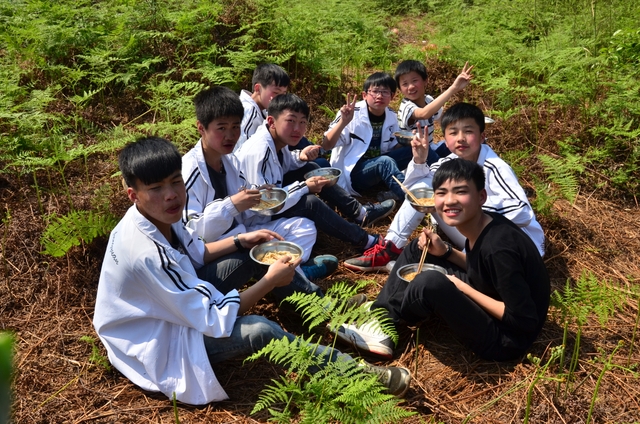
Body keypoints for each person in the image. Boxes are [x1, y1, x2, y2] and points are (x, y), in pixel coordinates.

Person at [93, 137, 411, 405]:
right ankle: (352, 372)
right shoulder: (147, 253)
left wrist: (241, 240)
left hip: (174, 306)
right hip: (157, 340)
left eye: (176, 181)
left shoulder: (159, 216)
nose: (171, 194)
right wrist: (269, 281)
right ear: (133, 195)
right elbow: (213, 317)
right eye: (156, 188)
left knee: (254, 255)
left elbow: (197, 252)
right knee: (259, 330)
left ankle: (322, 310)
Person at [335, 159, 550, 361]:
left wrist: (462, 289)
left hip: (505, 339)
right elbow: (483, 269)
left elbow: (523, 320)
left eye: (461, 192)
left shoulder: (498, 248)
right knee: (419, 248)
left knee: (430, 282)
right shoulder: (484, 223)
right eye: (441, 193)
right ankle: (383, 315)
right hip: (493, 296)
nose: (449, 201)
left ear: (481, 197)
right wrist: (446, 252)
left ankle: (384, 327)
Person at [344, 102, 545, 272]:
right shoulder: (450, 162)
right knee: (426, 188)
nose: (461, 138)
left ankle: (458, 267)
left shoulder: (494, 166)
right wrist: (419, 160)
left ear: (482, 136)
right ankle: (390, 248)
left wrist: (470, 209)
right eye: (453, 132)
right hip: (474, 235)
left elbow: (523, 212)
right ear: (446, 141)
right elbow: (413, 191)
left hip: (514, 244)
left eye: (468, 131)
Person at [182, 86, 335, 283]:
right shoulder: (190, 171)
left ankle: (294, 273)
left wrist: (256, 195)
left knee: (303, 227)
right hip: (216, 250)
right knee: (258, 254)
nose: (231, 135)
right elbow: (194, 236)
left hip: (242, 231)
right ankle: (301, 283)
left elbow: (245, 209)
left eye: (235, 127)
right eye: (221, 128)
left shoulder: (229, 160)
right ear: (201, 127)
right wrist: (232, 205)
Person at [236, 93, 395, 251]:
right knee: (310, 203)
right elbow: (265, 204)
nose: (297, 129)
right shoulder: (259, 152)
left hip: (268, 203)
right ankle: (364, 240)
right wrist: (305, 187)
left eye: (302, 122)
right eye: (290, 121)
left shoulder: (275, 139)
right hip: (254, 218)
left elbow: (282, 164)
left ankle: (360, 213)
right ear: (271, 121)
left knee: (310, 168)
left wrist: (300, 156)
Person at [322, 72, 409, 203]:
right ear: (365, 95)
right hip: (354, 173)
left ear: (392, 96)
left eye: (385, 92)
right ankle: (413, 201)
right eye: (375, 91)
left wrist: (410, 141)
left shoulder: (391, 116)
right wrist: (343, 122)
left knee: (416, 149)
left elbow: (393, 147)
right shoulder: (352, 113)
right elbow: (326, 145)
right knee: (384, 162)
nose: (379, 96)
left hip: (378, 167)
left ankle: (436, 185)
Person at [237, 63, 330, 167]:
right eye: (276, 93)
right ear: (258, 88)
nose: (280, 99)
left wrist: (299, 156)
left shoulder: (263, 108)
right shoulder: (247, 114)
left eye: (284, 94)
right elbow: (244, 160)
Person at [395, 60, 474, 162]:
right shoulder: (406, 106)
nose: (411, 87)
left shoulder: (428, 100)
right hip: (414, 153)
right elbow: (423, 113)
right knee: (441, 164)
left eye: (414, 81)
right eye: (405, 84)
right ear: (400, 89)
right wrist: (453, 88)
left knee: (466, 145)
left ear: (425, 81)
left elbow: (445, 123)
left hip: (431, 149)